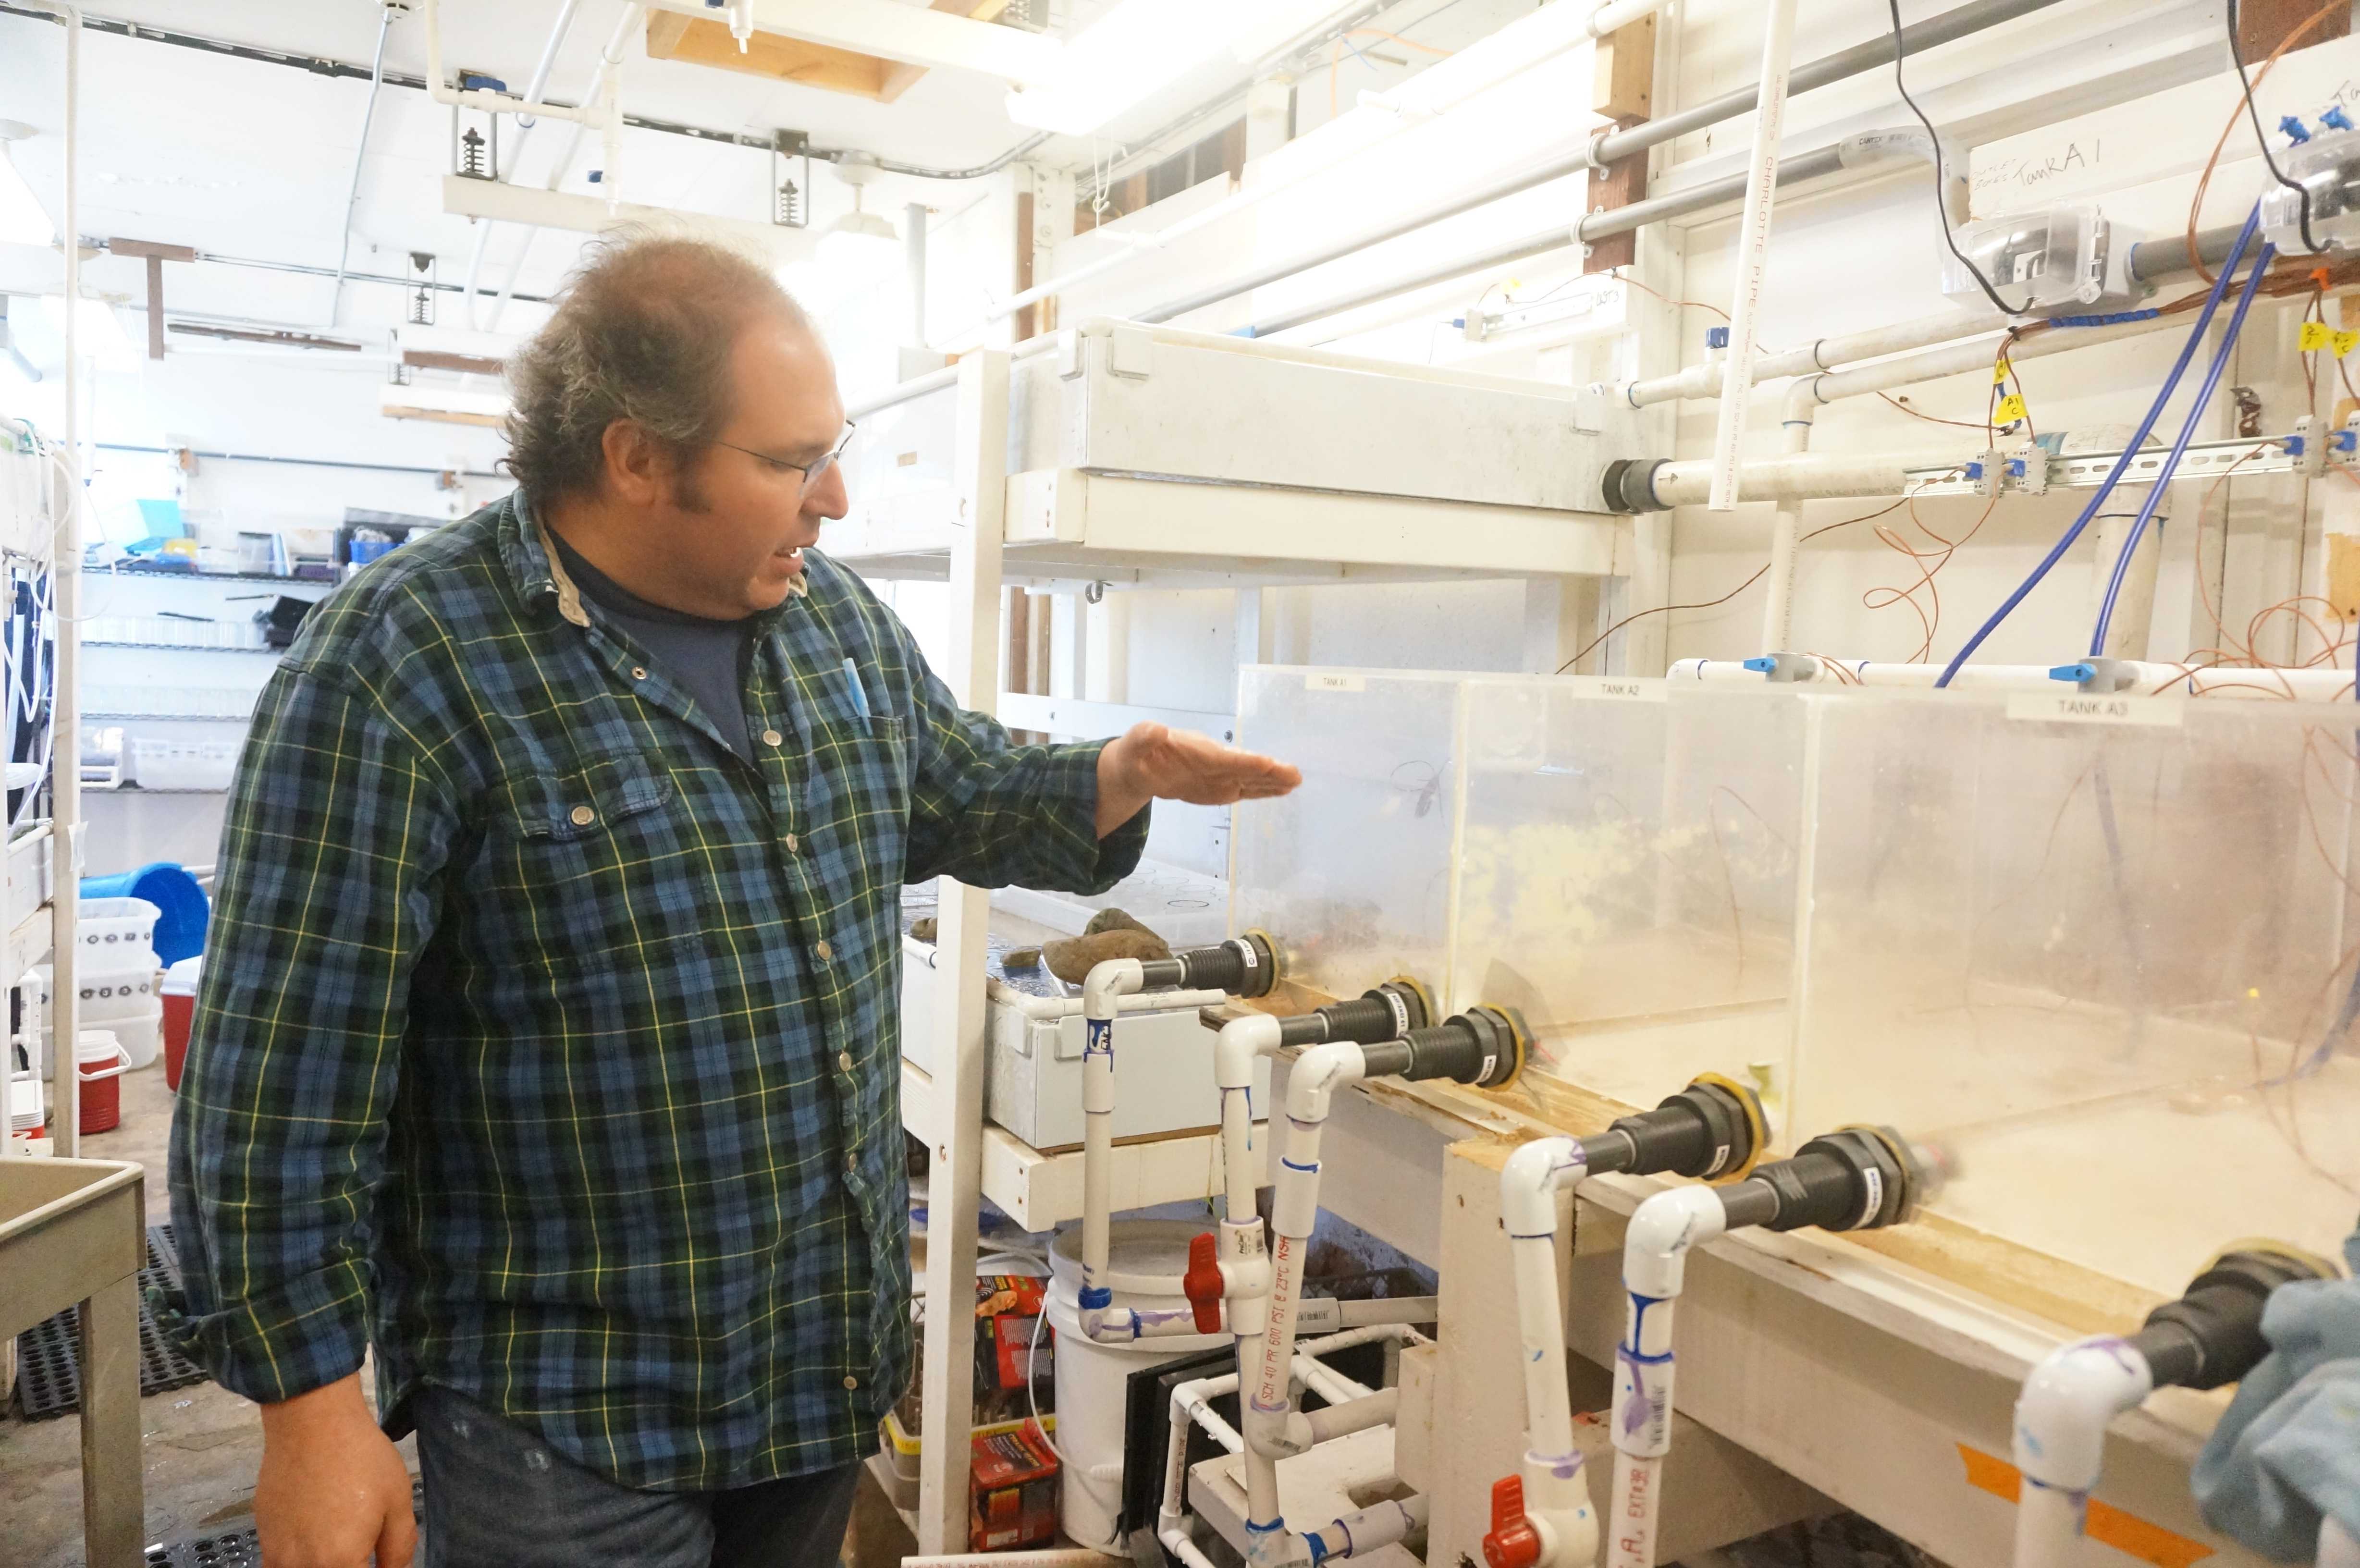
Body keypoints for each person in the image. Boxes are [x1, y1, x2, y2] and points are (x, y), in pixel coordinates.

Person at [165, 233, 1300, 1568]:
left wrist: (1111, 776)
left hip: (812, 1373)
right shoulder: (405, 666)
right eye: (786, 462)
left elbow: (948, 783)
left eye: (832, 449)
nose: (832, 497)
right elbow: (279, 1083)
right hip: (569, 1420)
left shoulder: (834, 626)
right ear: (638, 457)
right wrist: (310, 1417)